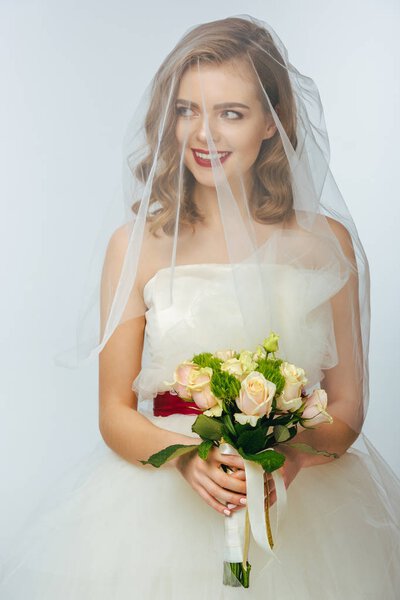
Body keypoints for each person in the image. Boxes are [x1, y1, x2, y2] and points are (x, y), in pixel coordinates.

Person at [1, 14, 399, 599]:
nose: (201, 134)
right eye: (186, 109)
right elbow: (114, 412)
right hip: (162, 501)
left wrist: (283, 459)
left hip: (306, 507)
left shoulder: (325, 243)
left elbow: (346, 406)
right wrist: (188, 458)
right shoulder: (136, 245)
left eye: (230, 114)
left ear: (273, 122)